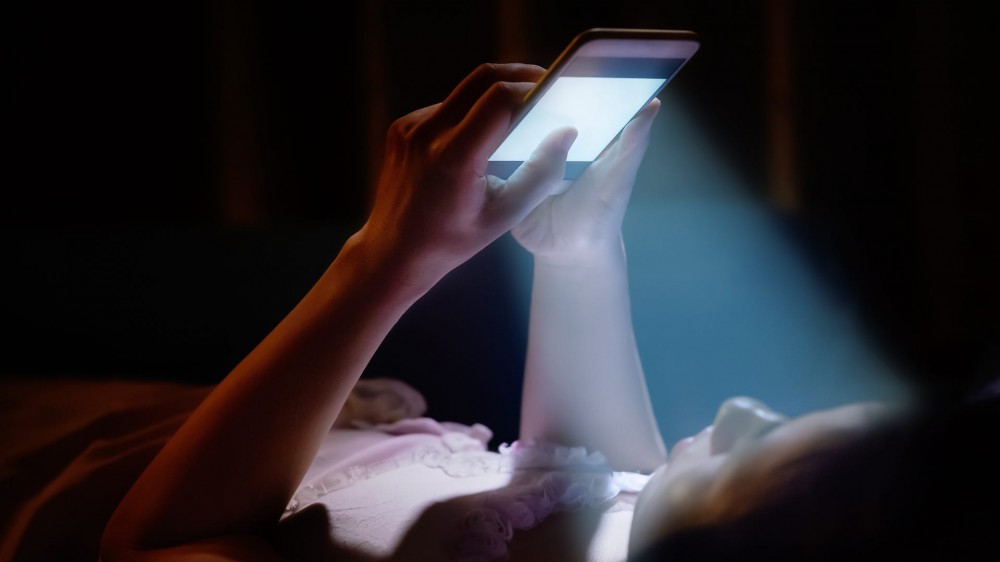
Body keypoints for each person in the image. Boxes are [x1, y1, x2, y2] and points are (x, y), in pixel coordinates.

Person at [101, 57, 999, 562]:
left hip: (106, 454)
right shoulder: (638, 520)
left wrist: (385, 261)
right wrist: (580, 253)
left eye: (748, 454)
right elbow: (588, 473)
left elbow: (157, 541)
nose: (738, 408)